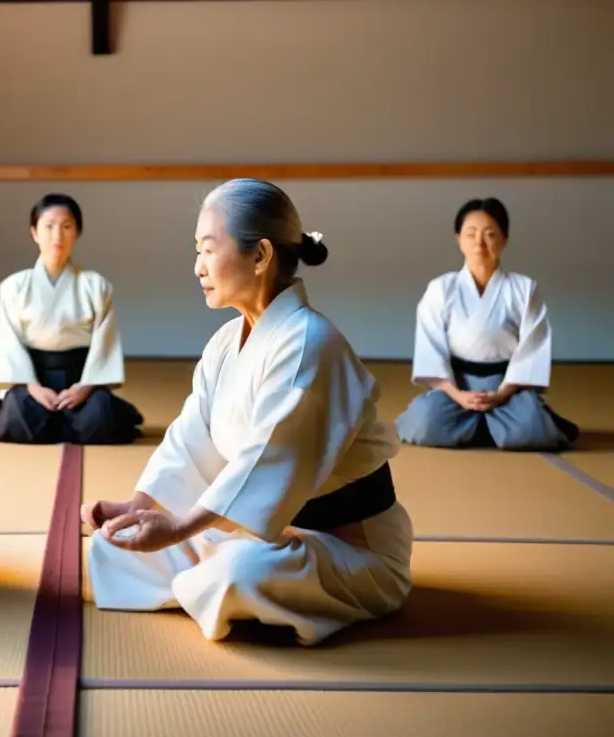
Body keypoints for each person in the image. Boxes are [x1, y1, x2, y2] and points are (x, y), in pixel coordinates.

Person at [81, 178, 413, 648]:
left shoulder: (310, 345)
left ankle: (214, 573)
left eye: (208, 249)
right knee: (110, 550)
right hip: (261, 529)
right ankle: (207, 572)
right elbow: (190, 435)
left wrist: (179, 527)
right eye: (196, 251)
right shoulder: (225, 342)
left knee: (238, 574)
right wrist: (141, 505)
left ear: (260, 256)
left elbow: (268, 458)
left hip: (348, 550)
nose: (197, 267)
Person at [395, 198, 579, 451]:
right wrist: (458, 394)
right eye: (470, 234)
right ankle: (492, 427)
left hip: (507, 390)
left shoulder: (524, 289)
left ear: (504, 239)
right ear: (459, 239)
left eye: (490, 234)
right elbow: (431, 350)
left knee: (532, 429)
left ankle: (478, 426)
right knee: (427, 422)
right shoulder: (441, 288)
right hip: (457, 387)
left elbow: (531, 349)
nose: (479, 243)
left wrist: (502, 394)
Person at [0, 193, 143, 444]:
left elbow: (104, 346)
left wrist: (85, 387)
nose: (57, 236)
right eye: (48, 226)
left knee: (98, 417)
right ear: (34, 232)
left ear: (76, 233)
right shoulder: (13, 287)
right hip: (32, 376)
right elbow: (10, 345)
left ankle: (76, 406)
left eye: (66, 226)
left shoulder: (96, 285)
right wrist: (32, 386)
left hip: (81, 377)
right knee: (17, 415)